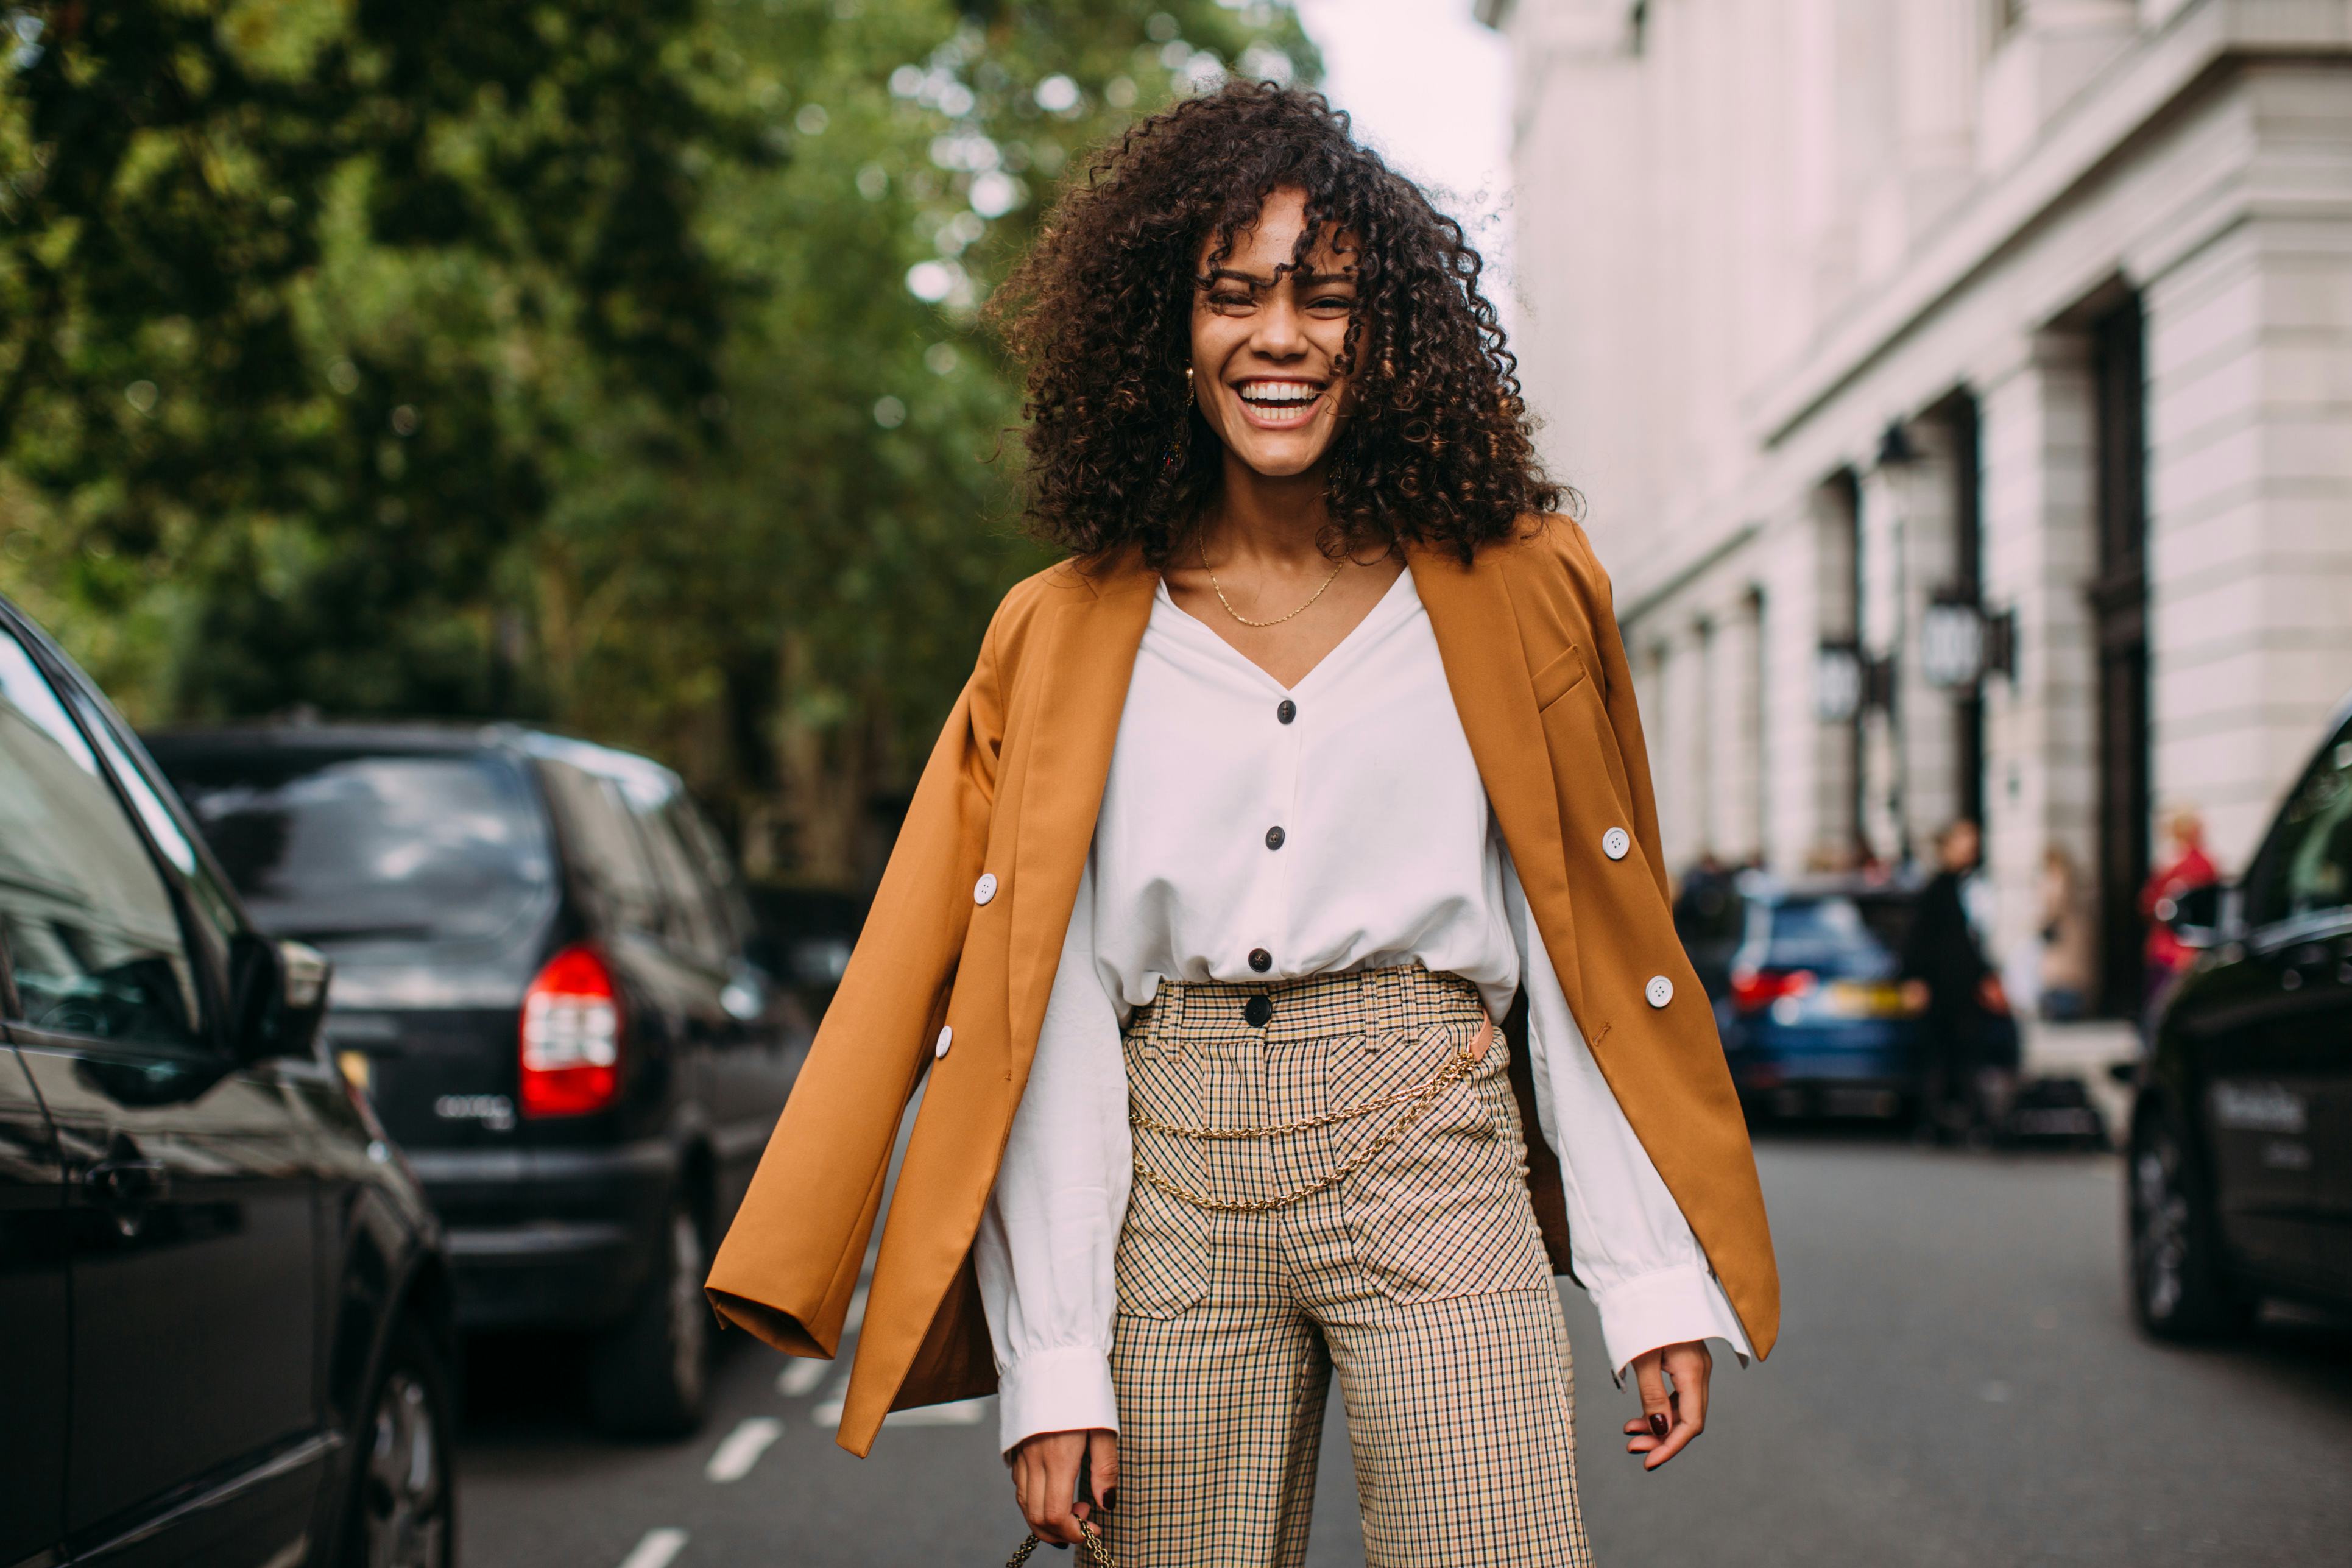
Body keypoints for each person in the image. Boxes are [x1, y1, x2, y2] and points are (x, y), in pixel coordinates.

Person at [704, 83, 1778, 1567]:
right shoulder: (1062, 630)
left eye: (1325, 297)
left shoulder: (1517, 583)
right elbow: (1053, 1006)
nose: (1280, 336)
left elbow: (1577, 939)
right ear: (1168, 330)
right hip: (1171, 1171)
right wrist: (1057, 1359)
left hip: (1435, 1141)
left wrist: (1651, 1272)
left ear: (1387, 332)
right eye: (1233, 295)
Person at [1900, 820, 2011, 1140]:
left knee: (1967, 1057)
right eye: (1964, 842)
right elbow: (1919, 941)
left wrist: (1986, 977)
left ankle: (1969, 1120)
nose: (1971, 849)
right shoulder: (1935, 891)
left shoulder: (1972, 888)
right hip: (1941, 990)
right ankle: (1935, 1121)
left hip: (1964, 990)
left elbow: (1973, 944)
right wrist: (1916, 980)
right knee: (1939, 1058)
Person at [2141, 806, 2218, 1014]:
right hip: (2191, 948)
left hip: (2169, 949)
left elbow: (2148, 903)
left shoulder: (2171, 864)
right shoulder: (2203, 863)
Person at [2036, 842, 2094, 1022]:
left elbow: (2056, 903)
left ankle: (2064, 1009)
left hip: (2062, 933)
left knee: (2061, 975)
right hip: (2068, 932)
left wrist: (2046, 920)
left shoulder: (2059, 877)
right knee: (2065, 974)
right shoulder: (2068, 876)